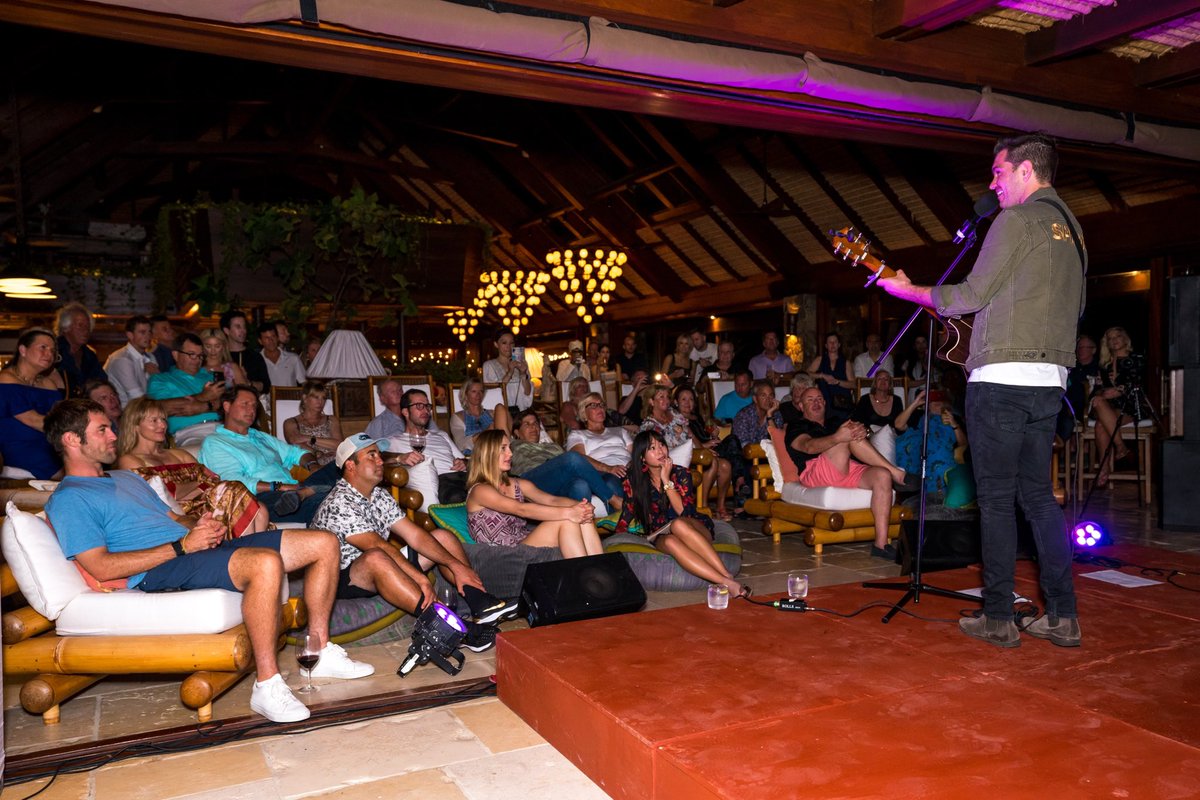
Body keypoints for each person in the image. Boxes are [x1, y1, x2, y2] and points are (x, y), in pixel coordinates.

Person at [878, 132, 1085, 648]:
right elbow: (1072, 310)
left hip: (1001, 381)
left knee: (994, 501)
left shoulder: (1014, 220)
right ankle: (1063, 615)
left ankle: (997, 617)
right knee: (1039, 499)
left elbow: (970, 295)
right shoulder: (1072, 228)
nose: (992, 183)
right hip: (1049, 385)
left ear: (1025, 171)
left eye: (997, 172)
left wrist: (910, 291)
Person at [45, 398, 372, 724]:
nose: (113, 435)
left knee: (324, 543)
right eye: (102, 430)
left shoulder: (126, 479)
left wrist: (200, 525)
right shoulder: (70, 498)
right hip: (159, 569)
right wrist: (181, 546)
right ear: (72, 440)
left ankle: (320, 649)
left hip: (191, 550)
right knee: (265, 563)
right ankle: (267, 684)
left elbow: (175, 518)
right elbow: (100, 566)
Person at [311, 434, 518, 654]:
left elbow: (415, 536)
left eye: (379, 454)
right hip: (341, 577)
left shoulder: (379, 495)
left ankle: (480, 603)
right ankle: (454, 630)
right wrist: (419, 578)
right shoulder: (339, 501)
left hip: (378, 562)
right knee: (376, 557)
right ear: (351, 465)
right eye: (371, 455)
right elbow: (377, 546)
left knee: (442, 537)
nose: (381, 460)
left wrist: (458, 567)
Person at [782, 387, 912, 559]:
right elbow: (808, 446)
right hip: (816, 471)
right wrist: (839, 437)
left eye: (820, 398)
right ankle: (897, 473)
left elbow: (861, 434)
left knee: (882, 475)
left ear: (825, 403)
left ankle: (881, 544)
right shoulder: (796, 425)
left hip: (846, 467)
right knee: (846, 435)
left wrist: (861, 431)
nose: (816, 402)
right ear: (800, 405)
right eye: (810, 400)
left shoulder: (834, 421)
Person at [116, 397, 269, 536]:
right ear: (135, 425)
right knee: (236, 494)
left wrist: (187, 486)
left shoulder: (178, 454)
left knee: (259, 508)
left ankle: (253, 553)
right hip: (179, 515)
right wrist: (196, 484)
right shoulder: (129, 459)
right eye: (154, 420)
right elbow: (156, 497)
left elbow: (211, 479)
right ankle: (247, 554)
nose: (162, 425)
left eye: (163, 419)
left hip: (207, 503)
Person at [618, 431, 746, 596]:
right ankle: (725, 582)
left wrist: (666, 480)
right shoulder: (633, 480)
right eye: (652, 448)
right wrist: (616, 536)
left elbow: (683, 512)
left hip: (693, 526)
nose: (660, 451)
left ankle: (726, 574)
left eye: (662, 445)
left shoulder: (681, 474)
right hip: (661, 533)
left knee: (678, 524)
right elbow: (628, 510)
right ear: (642, 457)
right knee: (670, 541)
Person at [199, 385, 337, 524]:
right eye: (245, 404)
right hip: (261, 498)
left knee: (341, 465)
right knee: (327, 504)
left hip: (294, 488)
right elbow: (232, 482)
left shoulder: (259, 436)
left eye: (254, 405)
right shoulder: (215, 443)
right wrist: (278, 486)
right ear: (227, 406)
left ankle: (306, 492)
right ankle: (309, 493)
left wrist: (313, 466)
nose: (251, 410)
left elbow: (295, 453)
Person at [466, 430, 604, 557]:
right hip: (500, 555)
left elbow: (552, 501)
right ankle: (585, 576)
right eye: (503, 448)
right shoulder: (480, 490)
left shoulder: (518, 484)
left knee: (583, 515)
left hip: (523, 541)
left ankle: (601, 571)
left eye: (509, 448)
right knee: (567, 519)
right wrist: (570, 513)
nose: (510, 453)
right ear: (487, 454)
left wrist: (581, 506)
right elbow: (521, 509)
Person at [509, 408, 623, 510]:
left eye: (535, 423)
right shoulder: (513, 445)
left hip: (556, 483)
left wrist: (608, 471)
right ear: (517, 432)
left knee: (582, 484)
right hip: (531, 482)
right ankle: (611, 499)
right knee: (572, 457)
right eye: (527, 424)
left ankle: (604, 524)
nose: (533, 427)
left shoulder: (552, 446)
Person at [381, 388, 467, 511]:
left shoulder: (441, 435)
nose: (426, 410)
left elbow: (465, 460)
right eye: (419, 406)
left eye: (427, 406)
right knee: (458, 497)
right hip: (441, 482)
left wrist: (464, 463)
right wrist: (399, 458)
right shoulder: (393, 441)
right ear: (405, 412)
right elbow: (378, 458)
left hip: (463, 478)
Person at [0, 328, 66, 479]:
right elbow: (31, 419)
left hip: (48, 446)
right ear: (23, 350)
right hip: (16, 448)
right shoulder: (5, 379)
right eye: (43, 347)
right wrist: (71, 431)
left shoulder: (48, 383)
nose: (49, 354)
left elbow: (61, 417)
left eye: (52, 350)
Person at [145, 332, 223, 444]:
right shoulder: (161, 380)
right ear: (176, 355)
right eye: (191, 354)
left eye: (200, 356)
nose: (197, 360)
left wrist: (204, 406)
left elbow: (227, 403)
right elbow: (157, 410)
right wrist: (203, 397)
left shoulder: (210, 376)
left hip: (222, 428)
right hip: (190, 432)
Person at [1090, 326, 1144, 488]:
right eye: (1110, 338)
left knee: (1101, 421)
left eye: (1118, 336)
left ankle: (1107, 463)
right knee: (1099, 406)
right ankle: (1118, 450)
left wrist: (1119, 391)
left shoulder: (1135, 359)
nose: (1114, 340)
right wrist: (1101, 389)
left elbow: (1140, 385)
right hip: (1109, 407)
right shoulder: (1105, 365)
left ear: (1125, 339)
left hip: (1130, 405)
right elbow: (1098, 391)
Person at [673, 385, 733, 521]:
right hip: (690, 456)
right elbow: (683, 443)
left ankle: (720, 507)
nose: (688, 403)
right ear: (676, 402)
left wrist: (712, 437)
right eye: (684, 399)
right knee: (713, 462)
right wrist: (705, 447)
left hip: (704, 452)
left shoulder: (696, 417)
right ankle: (703, 506)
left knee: (726, 465)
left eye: (691, 399)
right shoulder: (676, 420)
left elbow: (701, 438)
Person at [892, 389, 967, 494]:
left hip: (939, 453)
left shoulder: (954, 418)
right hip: (918, 451)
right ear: (926, 405)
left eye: (941, 402)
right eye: (933, 402)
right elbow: (898, 425)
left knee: (937, 457)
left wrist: (954, 425)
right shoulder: (918, 415)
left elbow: (964, 445)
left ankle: (936, 492)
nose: (938, 404)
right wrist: (915, 403)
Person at [566, 392, 633, 481]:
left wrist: (633, 465)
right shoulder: (578, 435)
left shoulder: (620, 431)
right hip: (601, 472)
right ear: (584, 413)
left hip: (628, 470)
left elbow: (635, 453)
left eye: (601, 405)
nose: (600, 408)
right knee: (611, 481)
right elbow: (579, 457)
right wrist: (608, 468)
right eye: (593, 405)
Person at [283, 380, 343, 468]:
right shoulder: (291, 422)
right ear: (305, 398)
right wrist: (315, 452)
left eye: (323, 398)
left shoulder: (332, 420)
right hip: (306, 465)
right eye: (316, 397)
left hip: (333, 464)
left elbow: (340, 445)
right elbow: (294, 440)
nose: (320, 402)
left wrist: (310, 438)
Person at [849, 370, 902, 464]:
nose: (883, 381)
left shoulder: (897, 400)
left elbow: (900, 426)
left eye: (886, 379)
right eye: (880, 378)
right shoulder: (865, 399)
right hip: (869, 440)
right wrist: (869, 434)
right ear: (875, 383)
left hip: (891, 440)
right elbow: (856, 421)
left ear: (889, 384)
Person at [103, 315, 158, 406]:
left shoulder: (151, 357)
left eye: (149, 332)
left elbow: (158, 390)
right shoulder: (121, 359)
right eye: (142, 332)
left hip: (144, 410)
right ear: (130, 335)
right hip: (125, 414)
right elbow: (137, 398)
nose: (148, 336)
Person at [54, 302, 107, 396]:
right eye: (80, 325)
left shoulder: (90, 355)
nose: (85, 330)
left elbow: (101, 382)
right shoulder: (53, 350)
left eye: (88, 326)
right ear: (65, 327)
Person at [807, 332, 856, 423]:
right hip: (824, 401)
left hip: (841, 402)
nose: (832, 344)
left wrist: (837, 382)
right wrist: (822, 375)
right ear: (826, 345)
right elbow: (807, 374)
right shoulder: (820, 359)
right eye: (830, 342)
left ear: (839, 345)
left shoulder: (846, 363)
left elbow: (853, 384)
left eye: (835, 342)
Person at [220, 310, 271, 395]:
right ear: (226, 330)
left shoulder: (254, 356)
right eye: (238, 327)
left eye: (244, 326)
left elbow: (266, 386)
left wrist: (248, 383)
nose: (243, 330)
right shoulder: (220, 356)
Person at [481, 331, 533, 412]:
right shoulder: (489, 365)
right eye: (504, 343)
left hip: (521, 413)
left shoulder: (520, 363)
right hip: (501, 414)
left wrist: (523, 373)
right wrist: (510, 372)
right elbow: (493, 393)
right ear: (496, 344)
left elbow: (528, 392)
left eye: (511, 343)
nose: (508, 347)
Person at [450, 378, 496, 455]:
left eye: (481, 391)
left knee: (500, 407)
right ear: (466, 394)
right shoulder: (458, 417)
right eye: (474, 391)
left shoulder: (492, 413)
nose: (478, 395)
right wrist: (487, 431)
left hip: (496, 451)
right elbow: (461, 444)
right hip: (474, 456)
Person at [259, 323, 306, 388]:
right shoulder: (256, 361)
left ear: (277, 338)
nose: (271, 340)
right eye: (267, 338)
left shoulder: (293, 358)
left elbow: (304, 382)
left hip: (291, 397)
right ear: (260, 341)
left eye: (273, 336)